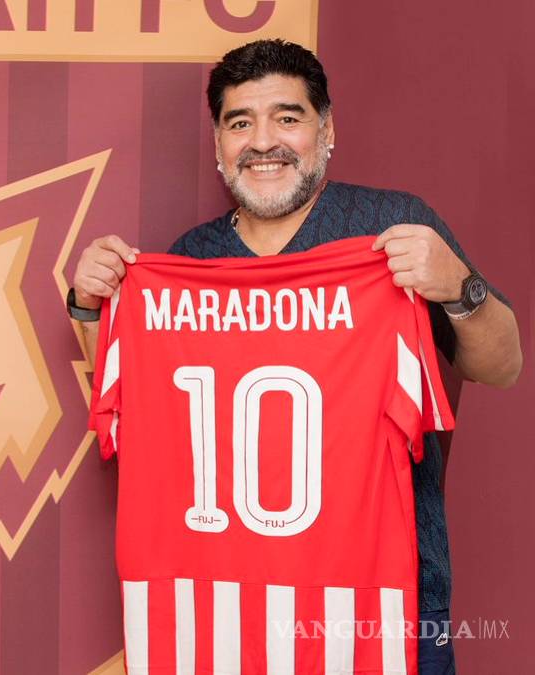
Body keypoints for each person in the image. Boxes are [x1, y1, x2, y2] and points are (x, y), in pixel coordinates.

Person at [68, 39, 522, 673]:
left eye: (287, 117)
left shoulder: (391, 229)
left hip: (380, 605)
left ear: (326, 130)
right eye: (240, 123)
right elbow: (146, 411)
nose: (263, 142)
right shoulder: (189, 262)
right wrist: (92, 307)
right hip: (225, 609)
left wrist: (458, 286)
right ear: (218, 143)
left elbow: (502, 366)